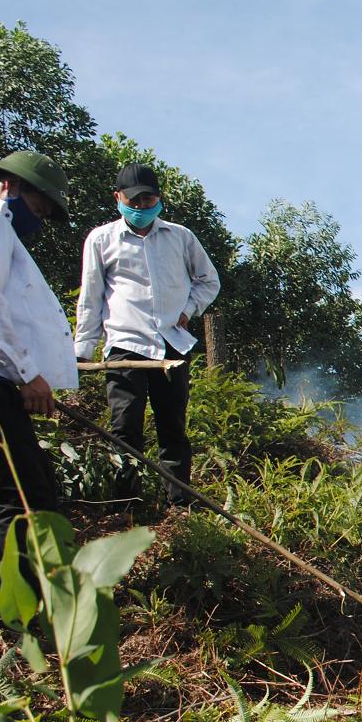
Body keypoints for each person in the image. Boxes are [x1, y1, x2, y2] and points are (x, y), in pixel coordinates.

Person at [74, 163, 220, 505]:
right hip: (125, 345)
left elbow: (208, 280)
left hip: (171, 345)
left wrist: (187, 309)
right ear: (118, 198)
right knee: (125, 427)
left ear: (158, 199)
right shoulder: (102, 239)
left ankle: (179, 502)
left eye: (148, 199)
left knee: (173, 426)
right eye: (134, 200)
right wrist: (83, 348)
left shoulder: (180, 237)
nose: (141, 207)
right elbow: (91, 297)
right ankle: (125, 503)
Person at [0, 150, 77, 598]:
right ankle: (11, 606)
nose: (34, 221)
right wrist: (29, 373)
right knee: (20, 496)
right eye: (37, 210)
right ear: (12, 186)